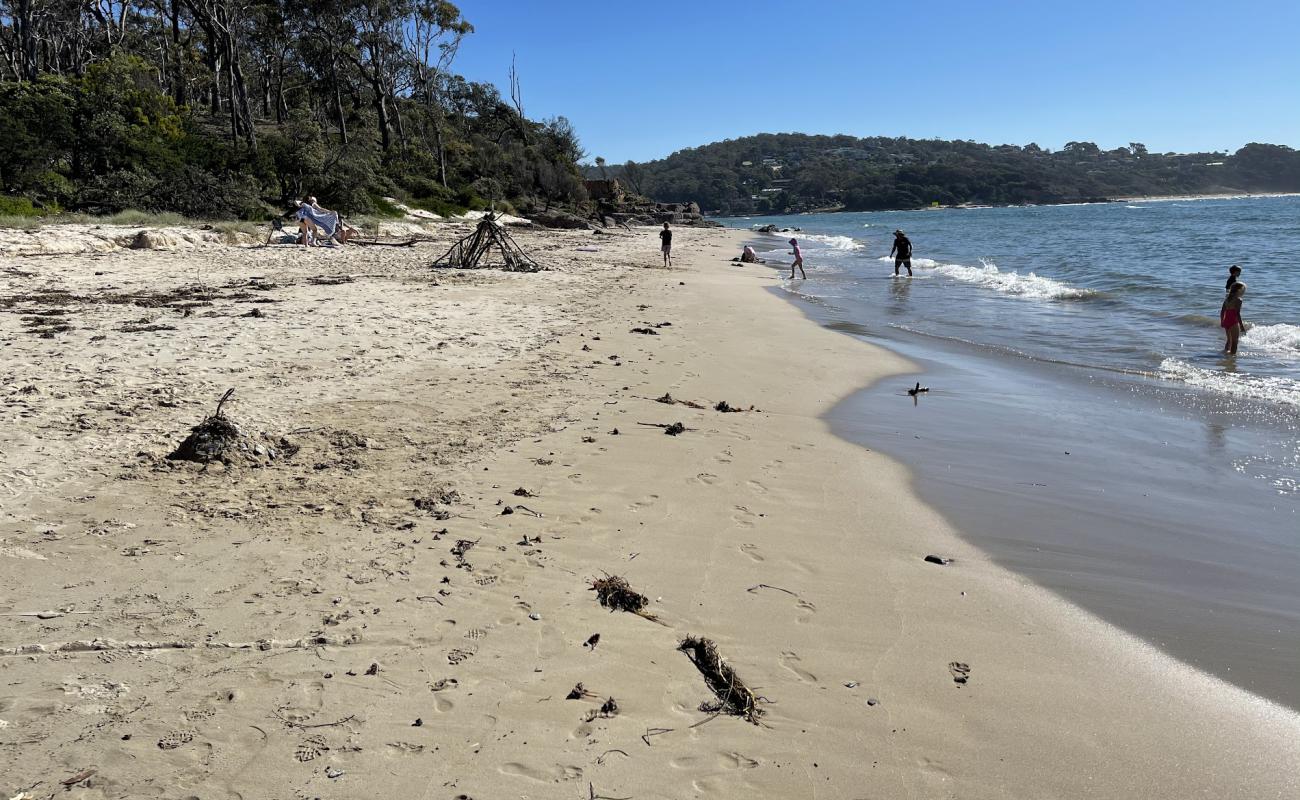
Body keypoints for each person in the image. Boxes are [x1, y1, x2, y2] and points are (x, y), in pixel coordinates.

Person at [1220, 282, 1247, 355]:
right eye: (1243, 290)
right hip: (1233, 321)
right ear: (1239, 290)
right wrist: (1241, 326)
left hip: (1226, 321)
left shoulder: (1227, 299)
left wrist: (1222, 321)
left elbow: (1222, 311)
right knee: (1235, 341)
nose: (1244, 292)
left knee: (1229, 340)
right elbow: (1237, 313)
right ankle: (1232, 357)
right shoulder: (1239, 300)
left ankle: (1225, 353)